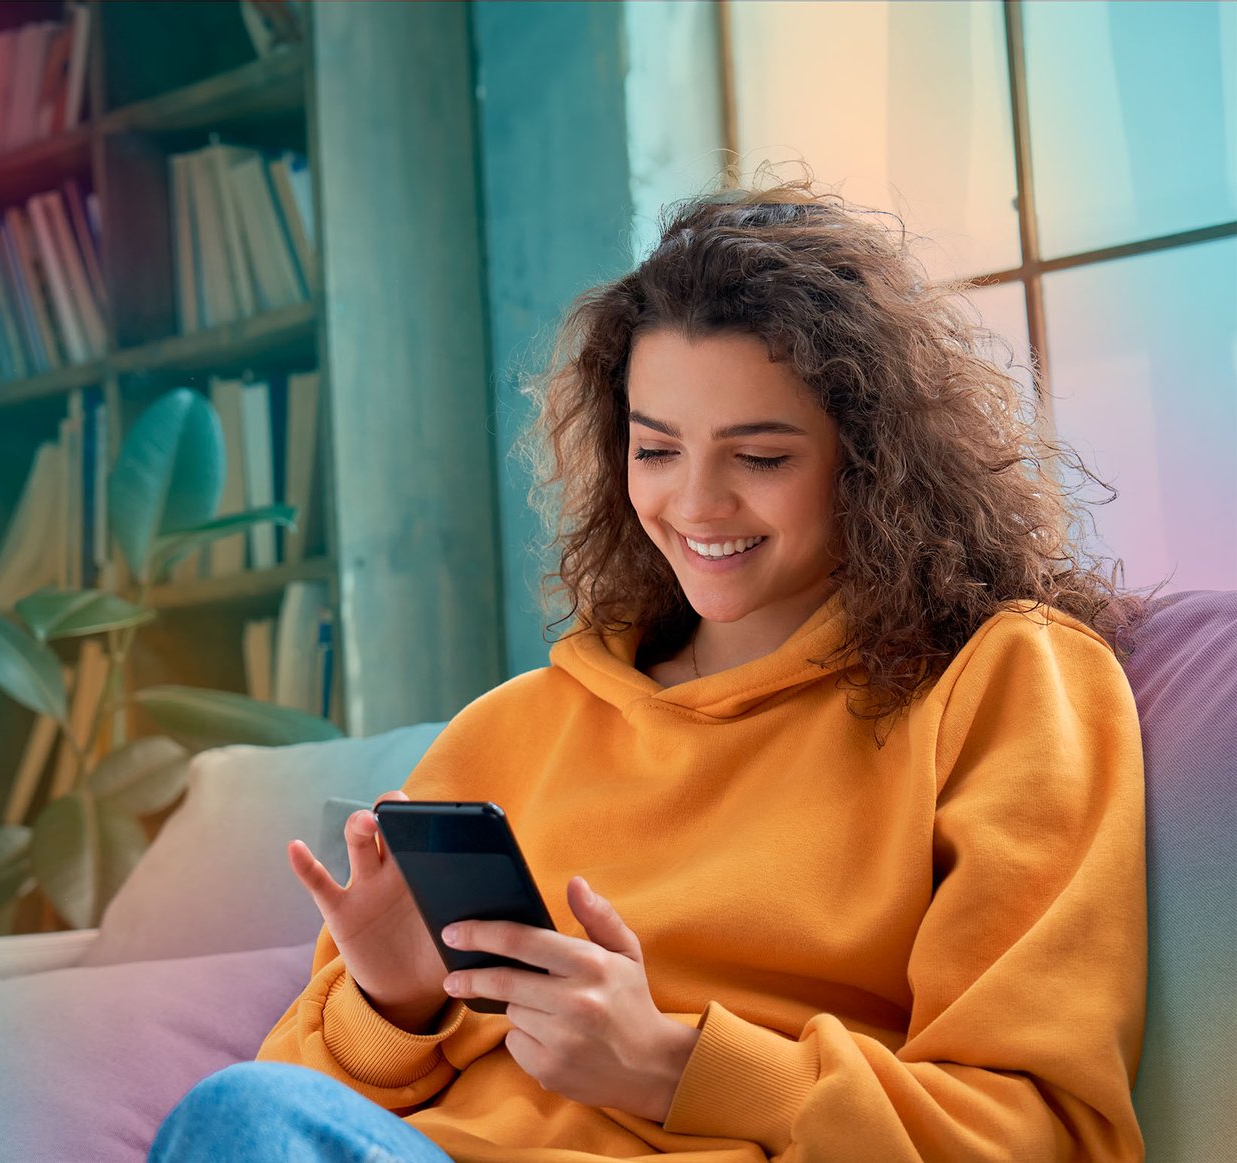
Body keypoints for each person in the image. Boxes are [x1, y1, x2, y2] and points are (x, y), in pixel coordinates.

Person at [149, 180, 1149, 1162]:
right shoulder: (507, 730)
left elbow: (1041, 1132)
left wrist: (671, 1065)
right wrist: (395, 1002)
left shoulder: (1002, 679)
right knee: (240, 1113)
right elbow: (287, 1111)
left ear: (873, 460)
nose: (697, 503)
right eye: (657, 450)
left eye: (761, 457)